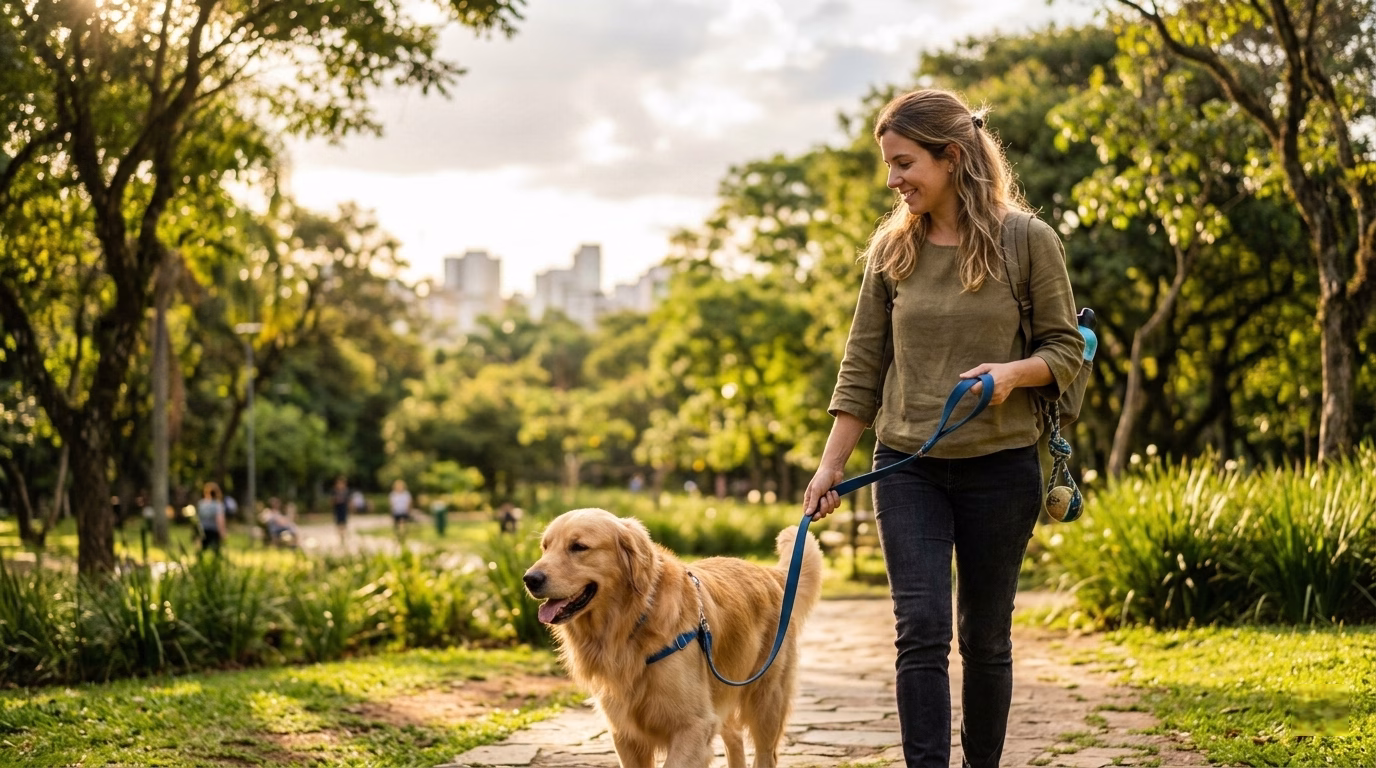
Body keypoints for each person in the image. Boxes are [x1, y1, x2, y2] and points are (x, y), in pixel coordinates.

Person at [802, 89, 1084, 768]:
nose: (893, 180)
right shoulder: (892, 250)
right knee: (920, 631)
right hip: (909, 467)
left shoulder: (1027, 241)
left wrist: (1012, 376)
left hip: (1002, 466)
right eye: (889, 166)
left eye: (904, 163)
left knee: (985, 637)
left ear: (951, 157)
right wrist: (830, 465)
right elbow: (862, 365)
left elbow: (1066, 350)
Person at [195, 482, 227, 553]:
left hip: (202, 529)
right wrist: (222, 532)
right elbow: (219, 519)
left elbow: (197, 518)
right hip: (214, 530)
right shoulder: (218, 505)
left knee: (203, 550)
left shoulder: (201, 504)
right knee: (216, 551)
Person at [331, 475, 350, 547]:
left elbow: (348, 501)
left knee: (344, 524)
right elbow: (332, 501)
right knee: (338, 525)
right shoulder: (334, 491)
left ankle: (343, 538)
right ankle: (341, 538)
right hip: (337, 510)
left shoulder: (346, 491)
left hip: (344, 510)